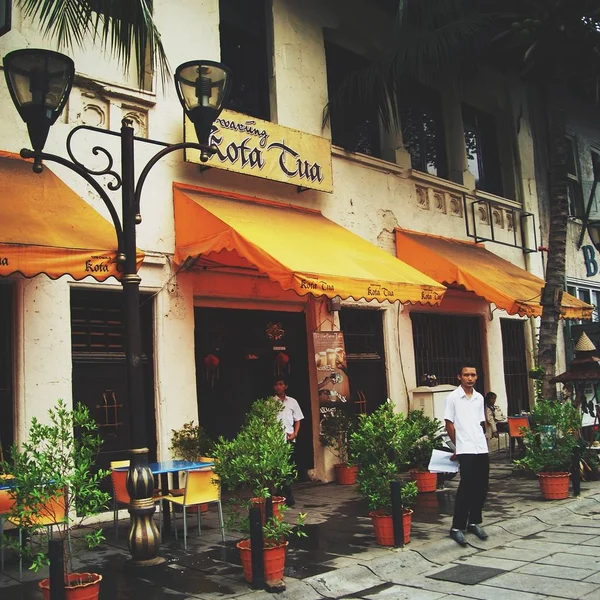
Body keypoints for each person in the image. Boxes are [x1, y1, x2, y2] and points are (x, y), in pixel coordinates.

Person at [444, 362, 489, 546]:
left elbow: (480, 422)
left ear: (477, 377)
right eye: (466, 375)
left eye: (473, 375)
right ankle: (457, 527)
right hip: (466, 449)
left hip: (481, 447)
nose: (470, 378)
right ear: (459, 377)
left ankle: (474, 521)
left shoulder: (479, 398)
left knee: (482, 486)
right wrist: (458, 445)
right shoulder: (453, 398)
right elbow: (449, 423)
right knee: (466, 487)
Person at [273, 376, 304, 507]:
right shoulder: (270, 403)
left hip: (289, 440)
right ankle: (285, 496)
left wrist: (295, 433)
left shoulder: (292, 402)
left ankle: (285, 495)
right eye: (276, 385)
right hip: (275, 440)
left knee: (288, 468)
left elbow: (298, 419)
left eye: (280, 384)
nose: (278, 387)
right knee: (278, 468)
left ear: (285, 386)